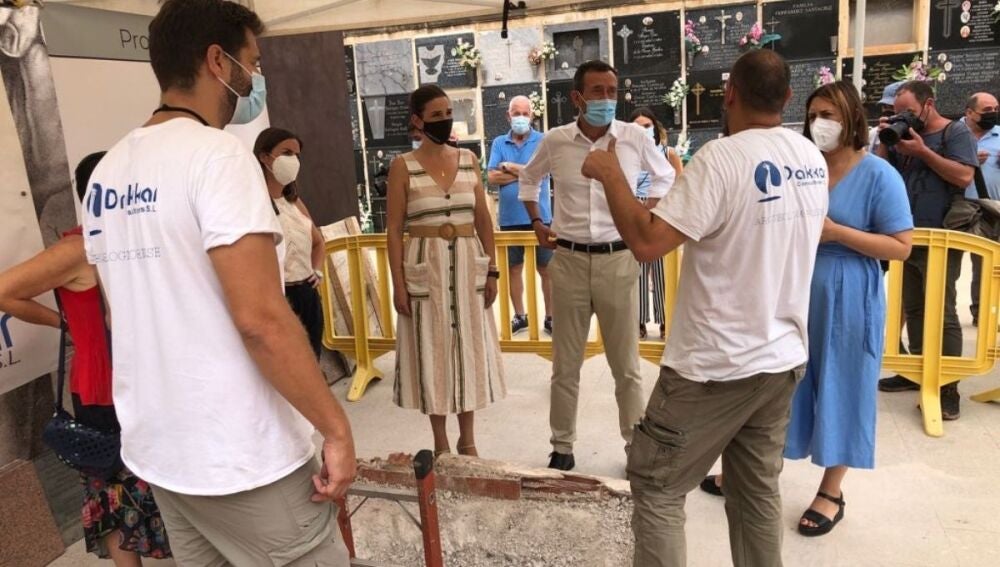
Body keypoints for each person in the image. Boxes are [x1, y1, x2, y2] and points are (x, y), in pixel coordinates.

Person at [81, 2, 355, 565]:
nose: (253, 78)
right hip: (241, 455)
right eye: (250, 62)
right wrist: (335, 428)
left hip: (164, 456)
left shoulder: (108, 172)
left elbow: (117, 313)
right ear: (216, 61)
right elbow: (261, 320)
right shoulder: (218, 157)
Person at [581, 50, 828, 566]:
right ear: (787, 98)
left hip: (713, 366)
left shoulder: (721, 158)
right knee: (756, 489)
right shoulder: (809, 157)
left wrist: (610, 174)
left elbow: (648, 243)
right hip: (780, 358)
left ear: (730, 93)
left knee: (657, 484)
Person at [700, 82, 913, 538]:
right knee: (775, 382)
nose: (820, 124)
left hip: (849, 294)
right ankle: (750, 469)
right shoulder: (802, 168)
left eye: (830, 115)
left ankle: (831, 491)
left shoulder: (878, 175)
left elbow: (901, 246)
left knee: (844, 382)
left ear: (852, 118)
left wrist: (838, 234)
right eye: (814, 114)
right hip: (792, 287)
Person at [0, 152, 172, 566]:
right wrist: (64, 323)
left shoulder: (138, 240)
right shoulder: (78, 248)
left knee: (162, 481)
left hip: (152, 378)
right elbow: (5, 290)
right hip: (103, 387)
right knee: (112, 487)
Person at [519, 60, 674, 471]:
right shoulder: (555, 141)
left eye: (612, 91)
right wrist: (537, 222)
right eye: (597, 91)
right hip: (568, 261)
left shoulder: (634, 137)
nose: (607, 99)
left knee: (627, 367)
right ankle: (562, 446)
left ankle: (634, 447)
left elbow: (665, 177)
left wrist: (646, 211)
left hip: (618, 259)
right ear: (577, 97)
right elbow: (529, 179)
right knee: (565, 366)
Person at [387, 84, 505, 458]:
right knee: (432, 350)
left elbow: (483, 220)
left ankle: (468, 439)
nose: (444, 120)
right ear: (418, 120)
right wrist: (399, 284)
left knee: (469, 348)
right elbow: (394, 229)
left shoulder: (468, 159)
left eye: (448, 113)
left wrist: (492, 270)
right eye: (436, 115)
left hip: (468, 265)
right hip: (427, 265)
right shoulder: (402, 166)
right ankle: (440, 441)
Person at [875, 80, 979, 421]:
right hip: (906, 236)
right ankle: (916, 370)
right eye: (896, 113)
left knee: (943, 310)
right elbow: (881, 176)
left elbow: (963, 176)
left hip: (944, 237)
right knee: (914, 307)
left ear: (929, 104)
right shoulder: (900, 135)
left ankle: (947, 386)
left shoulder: (954, 132)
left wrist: (922, 152)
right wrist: (885, 142)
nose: (902, 118)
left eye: (908, 112)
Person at [254, 127, 327, 359]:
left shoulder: (294, 202)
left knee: (313, 360)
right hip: (279, 296)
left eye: (296, 155)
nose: (293, 160)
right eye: (286, 153)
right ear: (265, 157)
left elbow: (318, 242)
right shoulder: (254, 203)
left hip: (307, 294)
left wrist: (316, 270)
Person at [487, 95, 554, 336]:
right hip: (510, 218)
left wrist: (510, 167)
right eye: (517, 113)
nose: (521, 118)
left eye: (525, 114)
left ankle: (550, 317)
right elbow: (491, 177)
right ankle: (520, 316)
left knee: (546, 269)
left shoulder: (543, 140)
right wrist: (527, 172)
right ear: (508, 116)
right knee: (513, 268)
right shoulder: (499, 143)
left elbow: (543, 173)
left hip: (541, 217)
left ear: (532, 116)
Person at [630, 107, 683, 340]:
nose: (642, 131)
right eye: (637, 127)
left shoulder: (668, 153)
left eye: (646, 126)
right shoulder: (627, 155)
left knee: (662, 272)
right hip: (635, 216)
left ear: (655, 127)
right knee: (638, 272)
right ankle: (639, 320)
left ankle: (665, 320)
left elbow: (681, 185)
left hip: (663, 215)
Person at [961, 93, 1000, 325]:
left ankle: (983, 313)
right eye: (987, 110)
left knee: (987, 263)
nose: (992, 114)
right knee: (949, 264)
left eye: (995, 109)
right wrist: (969, 159)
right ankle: (941, 315)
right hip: (959, 208)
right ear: (969, 112)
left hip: (993, 209)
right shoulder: (954, 134)